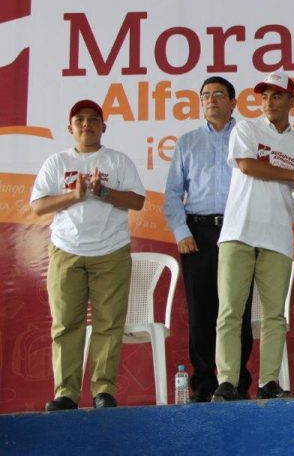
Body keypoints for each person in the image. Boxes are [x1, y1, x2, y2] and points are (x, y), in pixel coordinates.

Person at [30, 99, 145, 411]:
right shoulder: (56, 162)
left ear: (103, 126)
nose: (86, 124)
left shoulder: (117, 161)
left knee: (109, 324)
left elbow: (137, 201)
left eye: (93, 119)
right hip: (66, 252)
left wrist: (102, 192)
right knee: (66, 324)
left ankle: (103, 391)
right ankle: (66, 394)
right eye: (79, 119)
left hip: (111, 251)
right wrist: (75, 195)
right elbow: (38, 205)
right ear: (70, 127)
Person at [211, 71, 294, 401]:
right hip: (239, 232)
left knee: (275, 316)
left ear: (291, 101)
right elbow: (247, 165)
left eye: (277, 96)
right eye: (264, 96)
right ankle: (227, 381)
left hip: (278, 237)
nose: (269, 102)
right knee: (230, 311)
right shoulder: (247, 128)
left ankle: (269, 381)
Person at [163, 76, 254, 402]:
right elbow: (172, 195)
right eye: (205, 96)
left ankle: (237, 382)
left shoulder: (248, 137)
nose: (211, 100)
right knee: (201, 311)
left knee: (236, 309)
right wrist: (182, 232)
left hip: (238, 229)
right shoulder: (188, 142)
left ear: (233, 102)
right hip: (198, 234)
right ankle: (203, 383)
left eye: (218, 94)